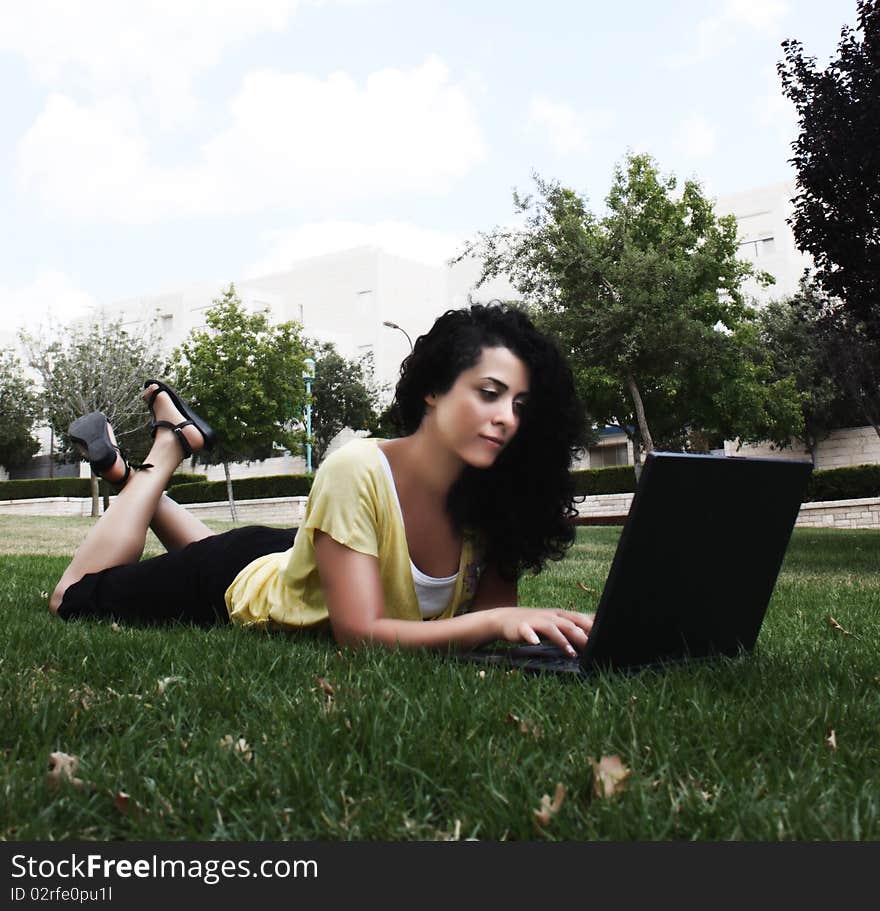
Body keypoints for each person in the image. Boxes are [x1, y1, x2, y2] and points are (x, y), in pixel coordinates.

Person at [50, 303, 594, 655]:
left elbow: (496, 616)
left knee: (269, 563)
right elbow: (361, 635)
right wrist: (496, 626)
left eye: (520, 404)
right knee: (70, 598)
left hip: (305, 561)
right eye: (489, 393)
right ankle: (169, 446)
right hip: (230, 579)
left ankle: (122, 475)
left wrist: (545, 629)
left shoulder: (494, 493)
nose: (507, 417)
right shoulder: (357, 467)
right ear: (434, 389)